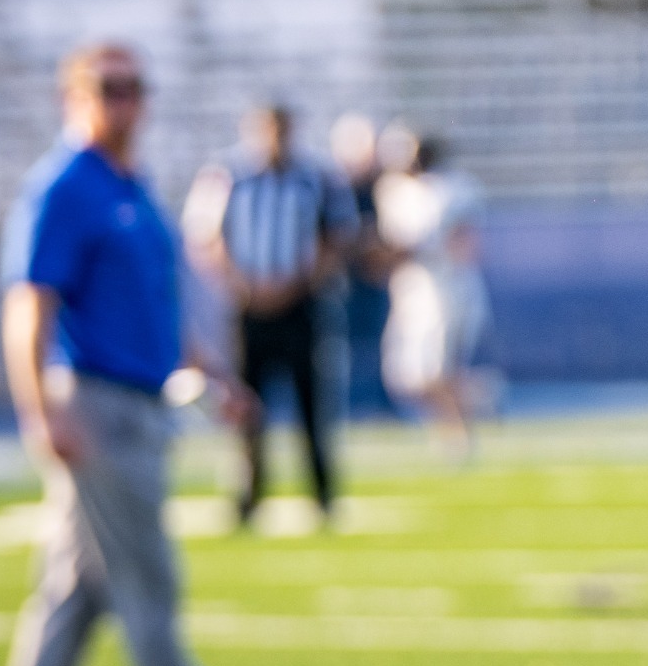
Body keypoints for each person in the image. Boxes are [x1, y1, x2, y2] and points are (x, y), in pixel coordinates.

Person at [0, 42, 295, 666]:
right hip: (96, 407)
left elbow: (156, 308)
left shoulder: (127, 183)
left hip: (138, 402)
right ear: (76, 96)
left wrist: (215, 375)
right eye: (109, 88)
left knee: (73, 592)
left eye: (135, 88)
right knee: (148, 585)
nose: (126, 103)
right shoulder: (62, 186)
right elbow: (29, 305)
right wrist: (40, 410)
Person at [206, 103, 358, 526]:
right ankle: (249, 495)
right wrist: (243, 285)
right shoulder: (228, 176)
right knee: (246, 404)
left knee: (313, 402)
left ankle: (323, 495)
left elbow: (337, 238)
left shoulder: (316, 177)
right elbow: (207, 238)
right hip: (247, 306)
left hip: (301, 303)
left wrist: (297, 283)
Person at [377, 133, 491, 459]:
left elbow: (464, 244)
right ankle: (480, 397)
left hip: (447, 291)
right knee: (405, 377)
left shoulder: (454, 188)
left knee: (436, 370)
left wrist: (416, 251)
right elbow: (390, 249)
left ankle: (455, 436)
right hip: (412, 292)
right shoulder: (394, 191)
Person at [330, 112, 399, 418]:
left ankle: (382, 405)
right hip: (343, 282)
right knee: (339, 347)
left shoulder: (383, 186)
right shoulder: (335, 187)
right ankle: (346, 407)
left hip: (375, 280)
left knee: (381, 344)